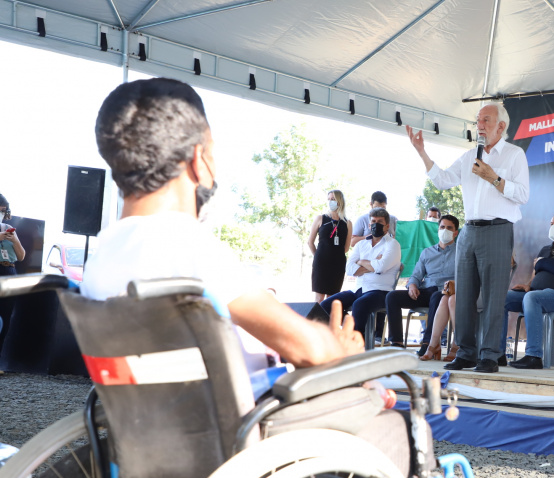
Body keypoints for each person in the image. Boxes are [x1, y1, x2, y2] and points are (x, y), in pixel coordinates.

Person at [83, 77, 363, 377]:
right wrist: (338, 346)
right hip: (253, 418)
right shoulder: (184, 247)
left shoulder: (100, 260)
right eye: (212, 152)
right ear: (199, 159)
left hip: (155, 418)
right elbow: (308, 348)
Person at [406, 103, 530, 373]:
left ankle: (489, 354)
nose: (480, 124)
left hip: (497, 229)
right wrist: (422, 152)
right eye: (477, 120)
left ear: (501, 126)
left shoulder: (514, 155)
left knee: (494, 296)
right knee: (463, 296)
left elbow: (522, 195)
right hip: (469, 232)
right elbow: (442, 180)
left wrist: (493, 177)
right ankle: (466, 351)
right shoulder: (468, 157)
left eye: (486, 119)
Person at [501, 214, 554, 369]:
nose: (553, 227)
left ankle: (533, 356)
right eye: (551, 223)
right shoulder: (545, 250)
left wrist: (544, 263)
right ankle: (497, 353)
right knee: (502, 298)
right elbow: (538, 274)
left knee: (532, 298)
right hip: (534, 293)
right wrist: (528, 285)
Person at [321, 208, 401, 336]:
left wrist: (361, 262)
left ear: (387, 226)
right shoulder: (361, 245)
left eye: (380, 222)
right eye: (373, 221)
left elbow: (381, 267)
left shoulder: (393, 245)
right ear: (369, 225)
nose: (376, 224)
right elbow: (349, 269)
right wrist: (372, 264)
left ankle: (357, 345)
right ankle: (349, 334)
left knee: (359, 305)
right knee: (326, 305)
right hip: (358, 289)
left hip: (380, 291)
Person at [385, 215, 458, 352]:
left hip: (446, 294)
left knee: (438, 296)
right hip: (425, 291)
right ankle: (397, 342)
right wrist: (412, 285)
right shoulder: (427, 252)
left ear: (456, 233)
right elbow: (416, 275)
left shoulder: (461, 253)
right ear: (438, 230)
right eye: (442, 227)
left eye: (449, 228)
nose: (445, 230)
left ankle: (429, 343)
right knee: (392, 297)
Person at [308, 189, 352, 302]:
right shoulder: (321, 218)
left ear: (340, 201)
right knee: (319, 298)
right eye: (329, 199)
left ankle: (330, 319)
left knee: (332, 298)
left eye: (333, 199)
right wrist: (318, 255)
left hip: (338, 264)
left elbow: (346, 247)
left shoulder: (347, 223)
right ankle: (317, 319)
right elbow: (310, 242)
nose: (330, 202)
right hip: (321, 263)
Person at [0, 195, 25, 275]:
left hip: (10, 272)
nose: (1, 214)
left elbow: (21, 257)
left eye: (3, 211)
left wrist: (15, 241)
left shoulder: (7, 228)